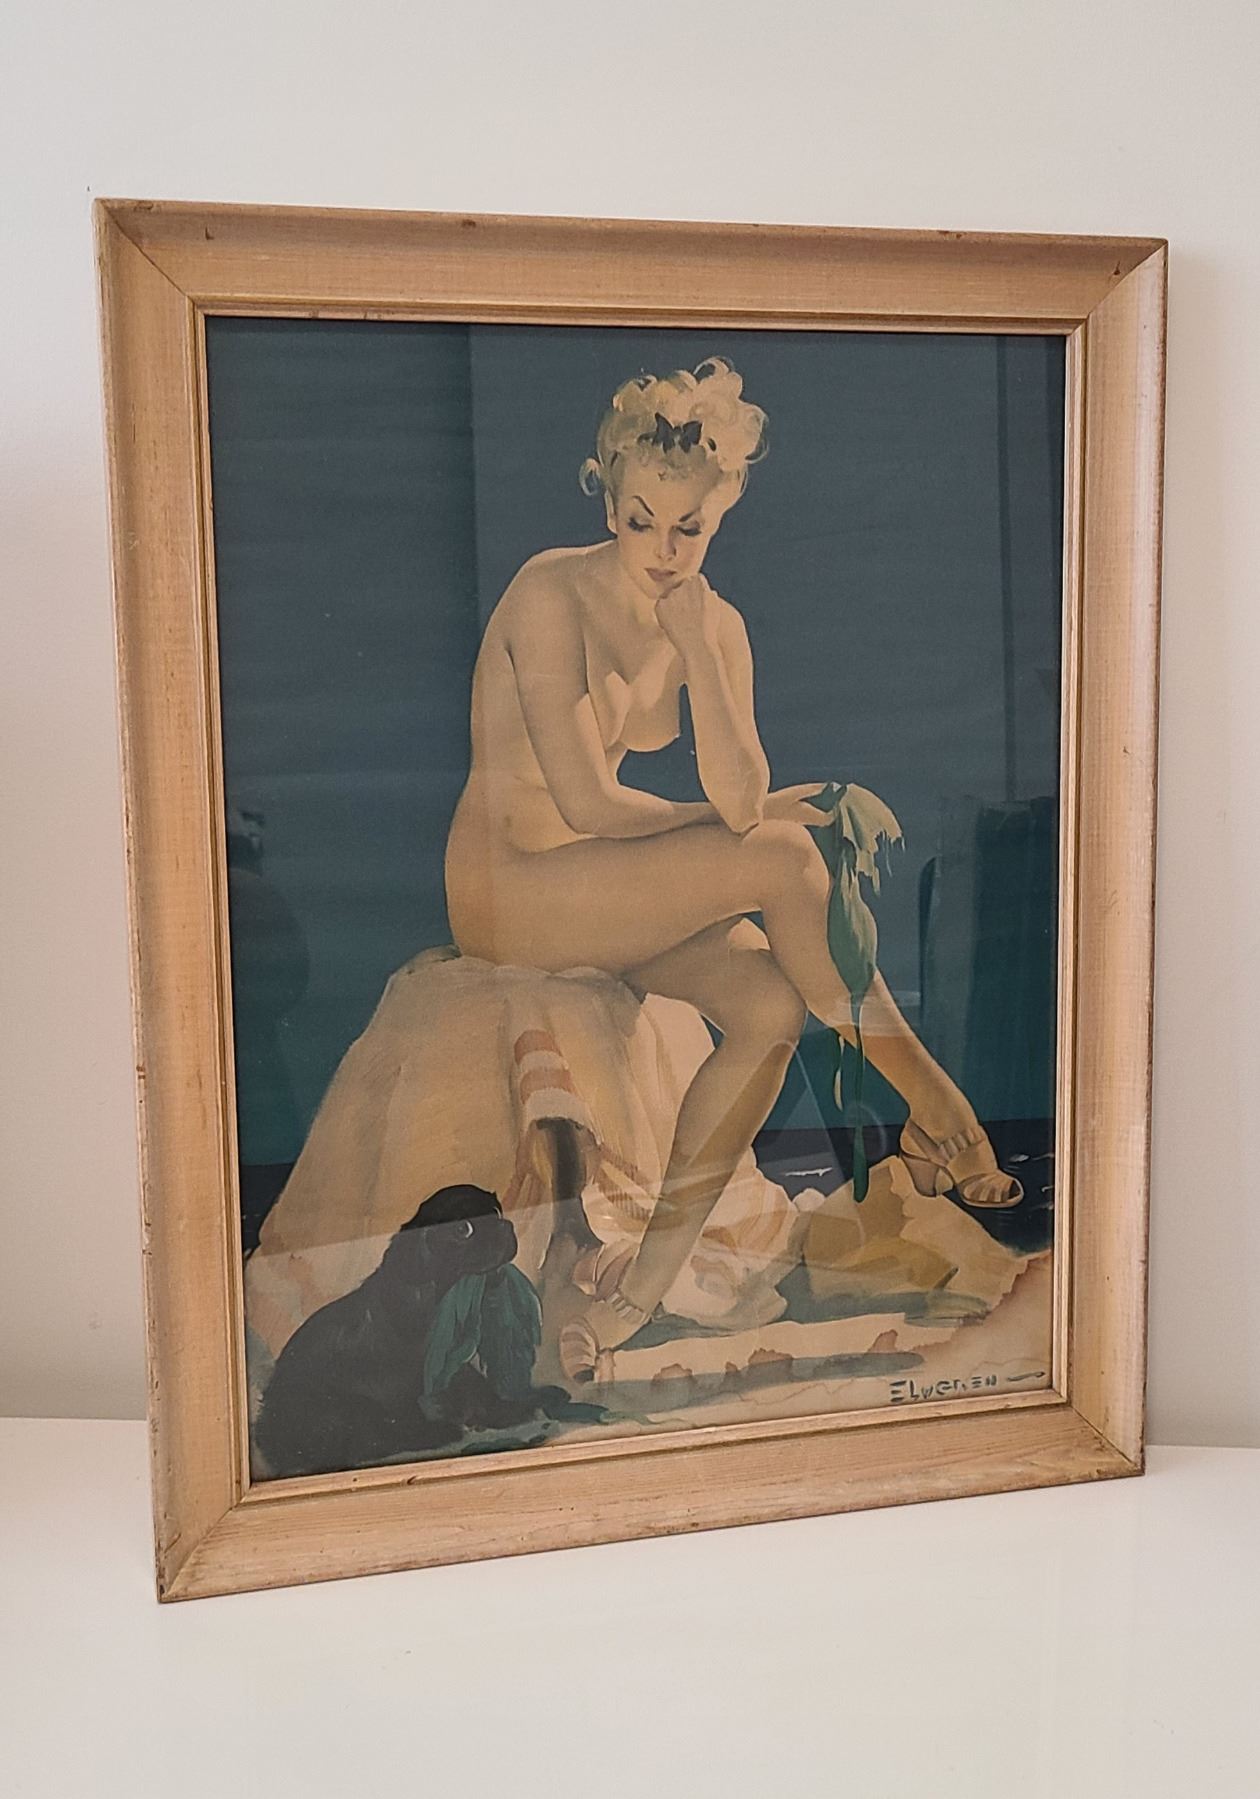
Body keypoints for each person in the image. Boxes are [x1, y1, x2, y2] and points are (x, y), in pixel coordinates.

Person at [443, 356, 1020, 1381]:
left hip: (600, 886)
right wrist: (746, 823)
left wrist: (702, 652)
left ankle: (640, 1290)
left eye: (689, 528)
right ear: (607, 502)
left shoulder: (710, 621)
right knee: (783, 857)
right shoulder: (547, 592)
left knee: (767, 1000)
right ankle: (941, 1109)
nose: (664, 551)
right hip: (512, 882)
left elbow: (742, 793)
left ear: (722, 516)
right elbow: (588, 803)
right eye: (640, 521)